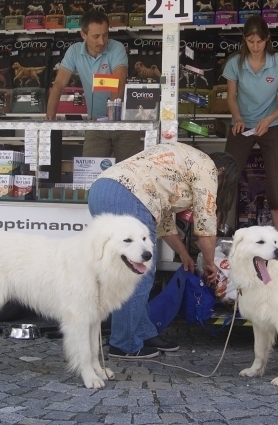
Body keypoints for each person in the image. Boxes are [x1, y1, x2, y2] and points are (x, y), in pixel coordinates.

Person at [88, 142, 240, 359]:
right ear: (222, 171)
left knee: (128, 271)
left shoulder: (183, 164)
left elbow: (164, 222)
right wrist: (209, 263)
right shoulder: (207, 167)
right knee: (138, 273)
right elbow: (206, 225)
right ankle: (124, 344)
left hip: (102, 189)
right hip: (129, 195)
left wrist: (184, 254)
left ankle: (143, 333)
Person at [223, 15, 278, 236]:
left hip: (271, 125)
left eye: (259, 42)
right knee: (226, 176)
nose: (255, 46)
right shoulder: (235, 62)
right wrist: (238, 118)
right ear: (244, 39)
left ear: (267, 39)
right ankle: (214, 231)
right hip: (241, 125)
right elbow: (232, 97)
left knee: (275, 180)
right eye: (250, 41)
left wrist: (268, 119)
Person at [46, 10, 143, 163]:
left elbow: (118, 83)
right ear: (83, 35)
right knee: (90, 172)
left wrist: (110, 120)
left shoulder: (116, 48)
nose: (102, 41)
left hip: (124, 123)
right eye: (96, 36)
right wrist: (49, 118)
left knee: (128, 175)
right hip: (95, 123)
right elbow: (58, 84)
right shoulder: (74, 51)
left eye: (105, 35)